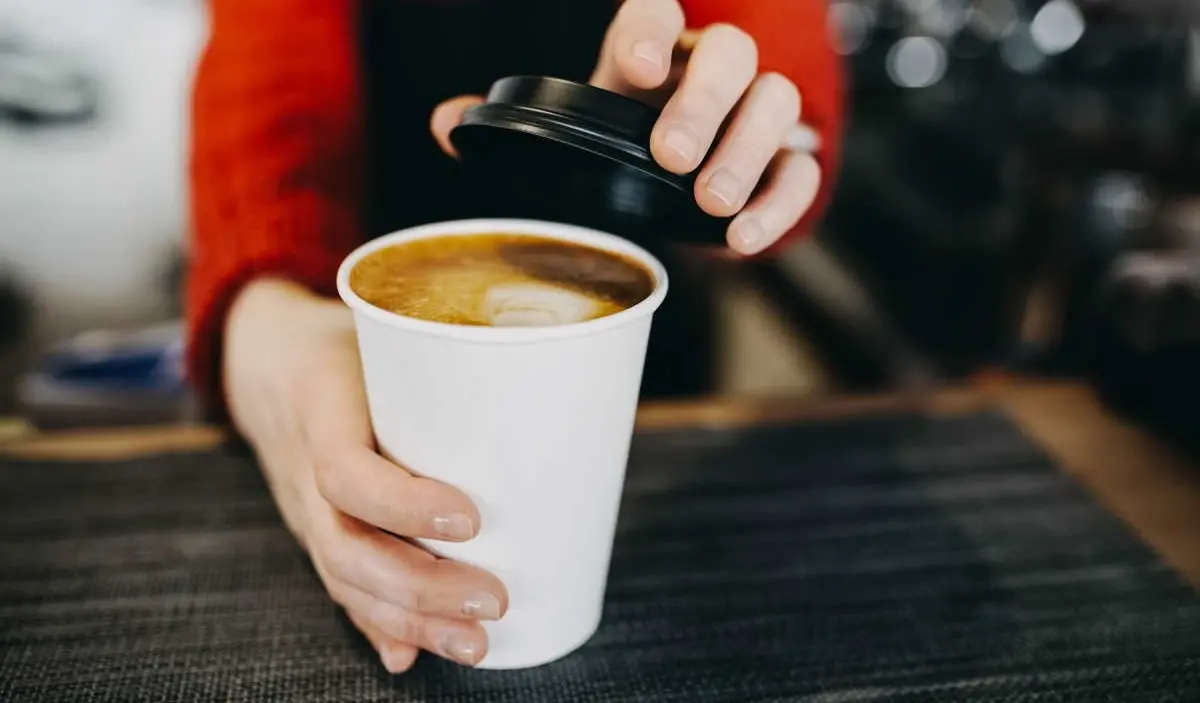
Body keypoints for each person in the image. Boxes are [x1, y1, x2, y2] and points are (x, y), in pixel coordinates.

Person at [187, 0, 844, 673]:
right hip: (363, 317)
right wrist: (269, 317)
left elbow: (772, 44)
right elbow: (271, 62)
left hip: (646, 364)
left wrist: (745, 130)